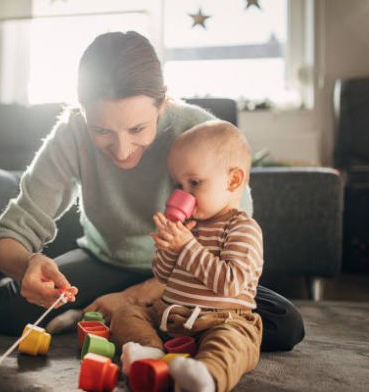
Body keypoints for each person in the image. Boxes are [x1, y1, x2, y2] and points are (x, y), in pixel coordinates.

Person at [0, 30, 304, 352]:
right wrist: (28, 263)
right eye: (101, 131)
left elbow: (234, 237)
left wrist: (132, 297)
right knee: (6, 308)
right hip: (106, 261)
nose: (123, 151)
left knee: (283, 322)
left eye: (137, 129)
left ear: (162, 101)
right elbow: (12, 233)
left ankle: (132, 315)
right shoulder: (71, 135)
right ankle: (157, 322)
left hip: (187, 272)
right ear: (82, 111)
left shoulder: (199, 135)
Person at [111, 120, 263, 392]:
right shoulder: (191, 227)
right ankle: (150, 353)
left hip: (221, 319)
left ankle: (206, 377)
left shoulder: (242, 228)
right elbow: (163, 276)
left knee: (234, 344)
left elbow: (229, 283)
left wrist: (186, 247)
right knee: (126, 313)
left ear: (233, 180)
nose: (184, 194)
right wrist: (167, 250)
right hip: (170, 315)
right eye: (178, 184)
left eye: (194, 182)